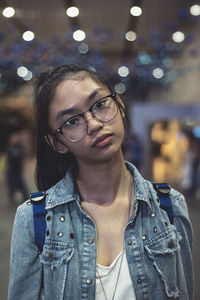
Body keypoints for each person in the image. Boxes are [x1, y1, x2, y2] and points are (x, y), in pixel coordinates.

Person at [8, 65, 194, 300]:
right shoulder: (34, 219)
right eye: (73, 120)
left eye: (99, 105)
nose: (94, 124)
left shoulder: (169, 206)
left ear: (119, 104)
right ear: (57, 143)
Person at [6, 131, 29, 204]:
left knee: (21, 184)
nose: (14, 140)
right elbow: (8, 159)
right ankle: (12, 197)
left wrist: (23, 164)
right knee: (11, 185)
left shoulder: (20, 148)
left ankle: (26, 197)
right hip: (11, 170)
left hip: (18, 170)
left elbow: (23, 157)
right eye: (12, 139)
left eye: (15, 139)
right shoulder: (10, 149)